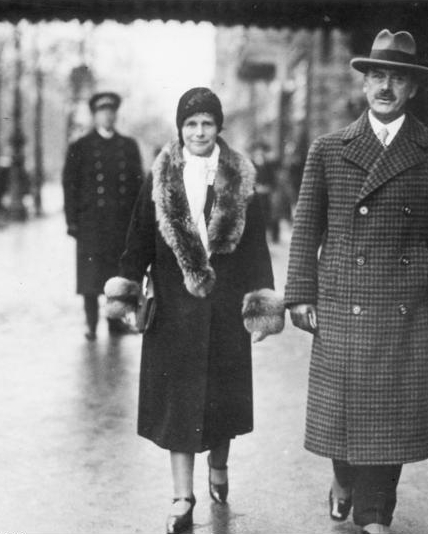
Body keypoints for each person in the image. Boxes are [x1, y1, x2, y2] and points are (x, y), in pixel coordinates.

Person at [284, 30, 428, 534]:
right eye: (376, 76)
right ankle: (343, 479)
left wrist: (427, 273)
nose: (385, 87)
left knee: (388, 417)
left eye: (396, 78)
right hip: (342, 297)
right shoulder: (329, 149)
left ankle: (376, 516)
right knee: (344, 411)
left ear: (412, 88)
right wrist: (300, 294)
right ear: (364, 84)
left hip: (403, 303)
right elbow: (307, 225)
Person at [103, 87, 285, 534]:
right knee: (178, 405)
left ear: (218, 127)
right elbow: (138, 238)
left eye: (207, 123)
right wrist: (127, 291)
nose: (199, 132)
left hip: (225, 307)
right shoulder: (160, 176)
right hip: (173, 309)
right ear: (180, 128)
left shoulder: (240, 177)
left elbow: (256, 247)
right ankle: (182, 496)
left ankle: (219, 466)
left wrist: (261, 305)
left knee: (221, 401)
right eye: (191, 124)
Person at [62, 91, 144, 340]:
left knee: (116, 275)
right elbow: (70, 186)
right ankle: (90, 324)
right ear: (95, 115)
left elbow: (138, 186)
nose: (107, 116)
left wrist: (138, 222)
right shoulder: (80, 146)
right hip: (91, 224)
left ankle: (115, 322)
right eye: (102, 112)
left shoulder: (128, 146)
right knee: (90, 278)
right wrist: (72, 221)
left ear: (116, 114)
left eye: (111, 111)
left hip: (120, 223)